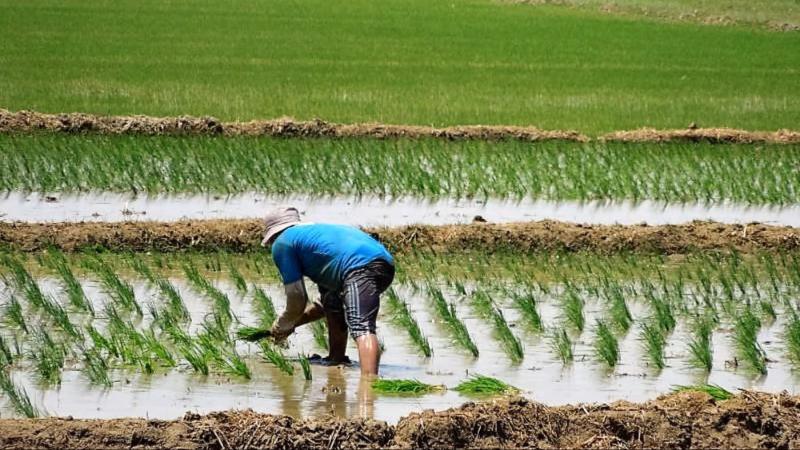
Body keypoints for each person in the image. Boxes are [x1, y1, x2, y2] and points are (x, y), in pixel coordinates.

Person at [261, 206, 395, 376]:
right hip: (384, 264)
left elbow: (297, 298)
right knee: (332, 302)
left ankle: (368, 387)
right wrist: (292, 325)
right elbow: (322, 307)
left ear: (273, 234)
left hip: (359, 267)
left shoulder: (282, 242)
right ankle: (336, 357)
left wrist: (282, 324)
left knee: (362, 327)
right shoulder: (315, 239)